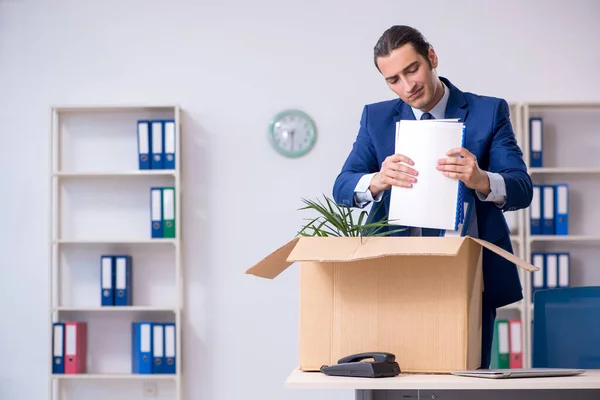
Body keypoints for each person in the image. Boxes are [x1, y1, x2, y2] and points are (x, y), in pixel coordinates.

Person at [332, 25, 533, 369]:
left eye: (412, 70)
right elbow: (342, 186)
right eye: (393, 79)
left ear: (432, 58)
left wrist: (482, 179)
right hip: (395, 272)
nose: (407, 86)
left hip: (468, 274)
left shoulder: (488, 111)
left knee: (466, 372)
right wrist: (377, 180)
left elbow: (521, 187)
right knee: (396, 373)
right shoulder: (376, 118)